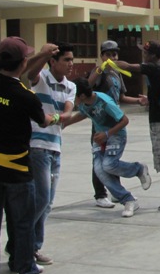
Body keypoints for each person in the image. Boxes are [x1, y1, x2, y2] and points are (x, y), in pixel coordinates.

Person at [0, 37, 56, 274]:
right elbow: (43, 120)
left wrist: (35, 56)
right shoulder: (25, 96)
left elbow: (11, 68)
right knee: (22, 225)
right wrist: (56, 116)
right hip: (17, 170)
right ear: (22, 63)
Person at [107, 41, 160, 210]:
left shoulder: (153, 68)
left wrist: (110, 63)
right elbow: (159, 94)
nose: (143, 55)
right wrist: (149, 100)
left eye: (145, 53)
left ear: (153, 56)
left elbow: (128, 66)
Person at [64, 77, 151, 218]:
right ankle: (128, 200)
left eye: (73, 95)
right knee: (99, 170)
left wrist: (107, 134)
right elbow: (83, 114)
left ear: (82, 95)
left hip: (116, 135)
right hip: (100, 137)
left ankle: (138, 169)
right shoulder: (84, 103)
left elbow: (124, 120)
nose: (71, 99)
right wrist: (65, 123)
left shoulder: (104, 102)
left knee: (109, 165)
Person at [27, 43, 76, 266]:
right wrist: (43, 54)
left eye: (72, 59)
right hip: (37, 146)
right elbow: (30, 73)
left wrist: (55, 118)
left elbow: (67, 112)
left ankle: (33, 247)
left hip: (55, 147)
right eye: (66, 60)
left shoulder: (70, 86)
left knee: (47, 203)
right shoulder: (42, 78)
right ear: (53, 62)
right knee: (41, 198)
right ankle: (21, 241)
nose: (71, 64)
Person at [86, 40, 133, 208]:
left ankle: (115, 191)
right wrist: (101, 68)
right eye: (108, 54)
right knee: (99, 159)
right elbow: (88, 86)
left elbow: (121, 97)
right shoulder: (98, 72)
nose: (112, 57)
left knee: (112, 157)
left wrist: (140, 101)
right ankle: (100, 194)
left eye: (114, 54)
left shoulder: (117, 74)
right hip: (100, 121)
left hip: (114, 122)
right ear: (102, 56)